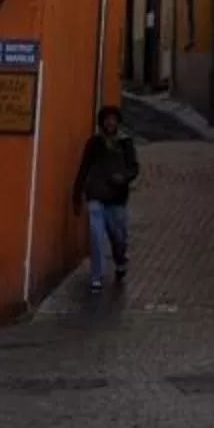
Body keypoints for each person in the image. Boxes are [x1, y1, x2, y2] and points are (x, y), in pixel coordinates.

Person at [72, 103, 139, 289]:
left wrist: (124, 177)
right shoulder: (94, 143)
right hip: (96, 195)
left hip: (117, 198)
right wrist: (77, 195)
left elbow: (134, 168)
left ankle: (120, 261)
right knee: (95, 235)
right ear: (102, 123)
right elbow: (84, 168)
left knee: (119, 237)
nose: (110, 123)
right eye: (106, 120)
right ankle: (97, 275)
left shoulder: (126, 143)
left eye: (113, 120)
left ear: (117, 122)